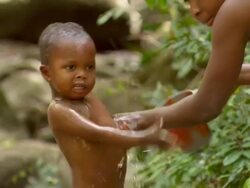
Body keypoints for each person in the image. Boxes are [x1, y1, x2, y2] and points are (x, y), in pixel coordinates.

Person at [38, 22, 169, 188]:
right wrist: (144, 137)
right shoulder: (59, 111)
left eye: (89, 67)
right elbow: (101, 134)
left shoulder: (89, 99)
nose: (82, 75)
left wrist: (145, 122)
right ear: (47, 73)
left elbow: (111, 125)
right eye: (71, 67)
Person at [115, 0, 250, 130]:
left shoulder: (235, 9)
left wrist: (132, 121)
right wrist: (235, 76)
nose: (194, 11)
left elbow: (205, 108)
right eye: (188, 2)